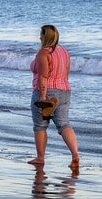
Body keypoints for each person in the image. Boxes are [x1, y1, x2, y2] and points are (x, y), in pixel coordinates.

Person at [28, 25, 79, 169]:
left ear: (46, 36)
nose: (39, 37)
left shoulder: (43, 53)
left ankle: (40, 158)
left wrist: (43, 97)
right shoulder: (64, 51)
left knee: (40, 126)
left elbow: (43, 76)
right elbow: (66, 72)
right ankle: (75, 155)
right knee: (64, 124)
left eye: (41, 34)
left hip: (47, 92)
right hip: (65, 91)